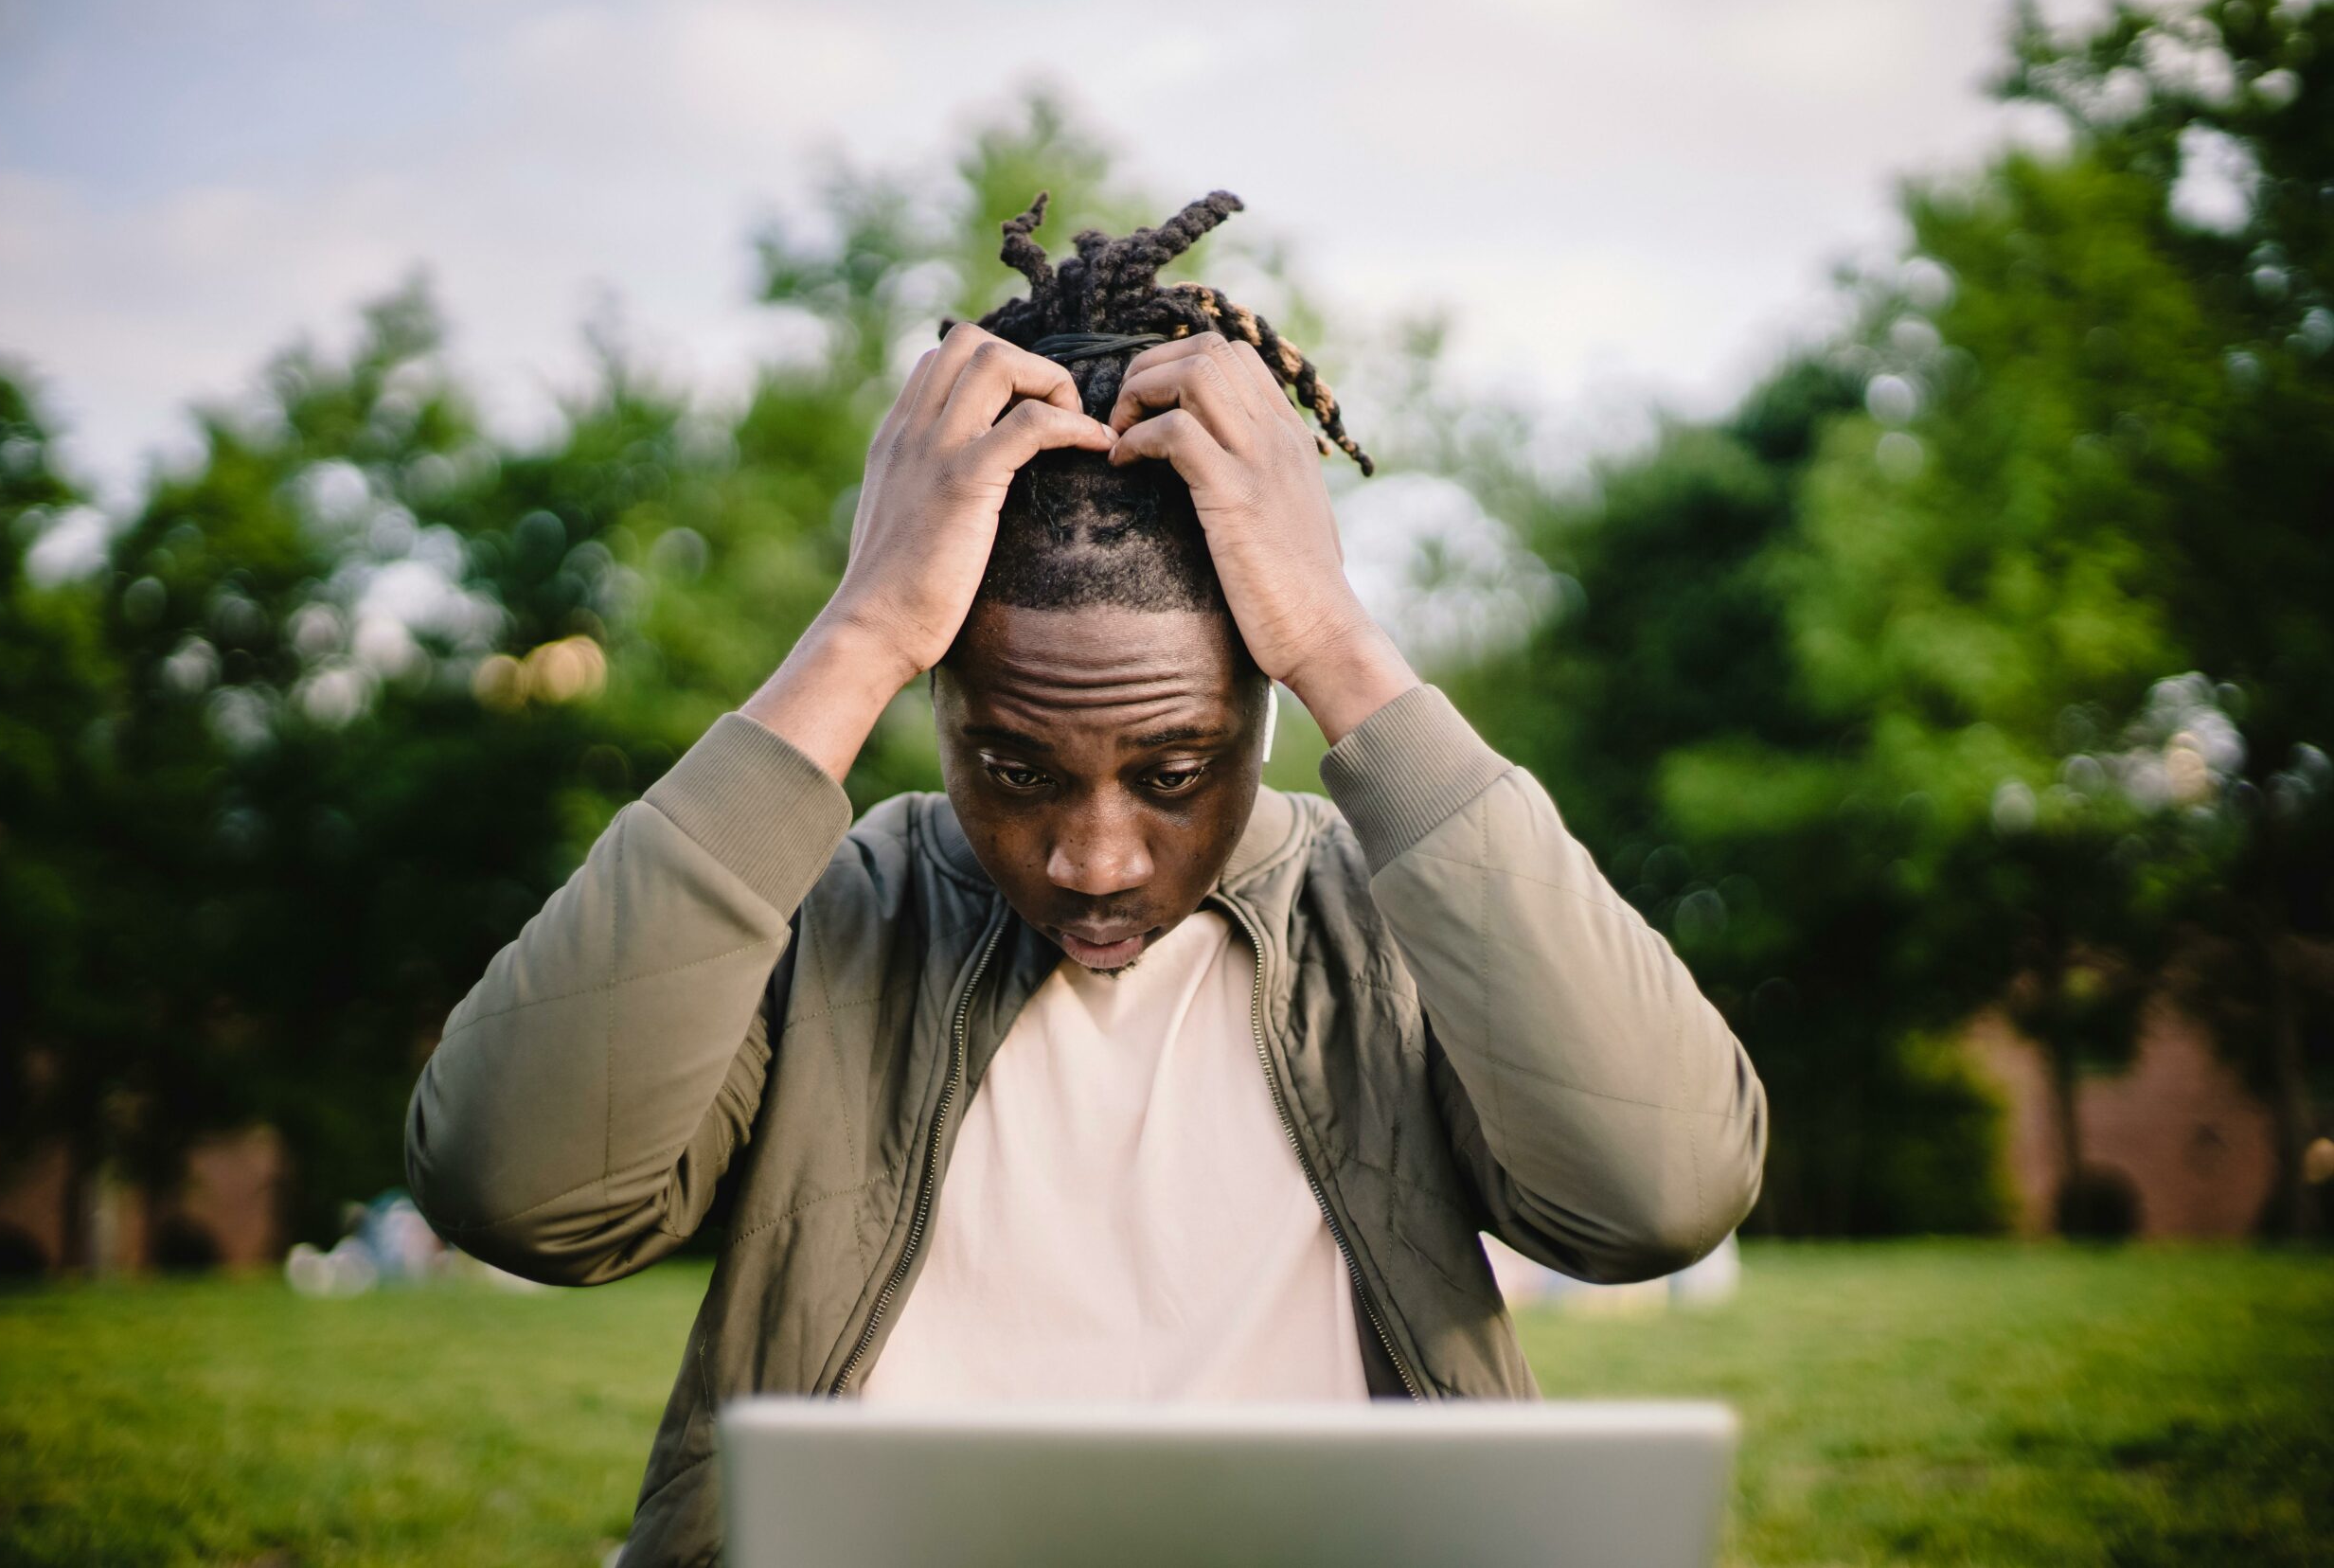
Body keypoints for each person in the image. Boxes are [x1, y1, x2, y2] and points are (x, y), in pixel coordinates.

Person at [403, 189, 1768, 1566]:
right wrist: (859, 628)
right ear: (935, 701)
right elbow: (516, 1191)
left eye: (1173, 774)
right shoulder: (825, 914)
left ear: (1264, 706)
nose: (1094, 860)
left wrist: (1343, 640)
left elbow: (1658, 1192)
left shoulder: (1404, 920)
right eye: (1015, 767)